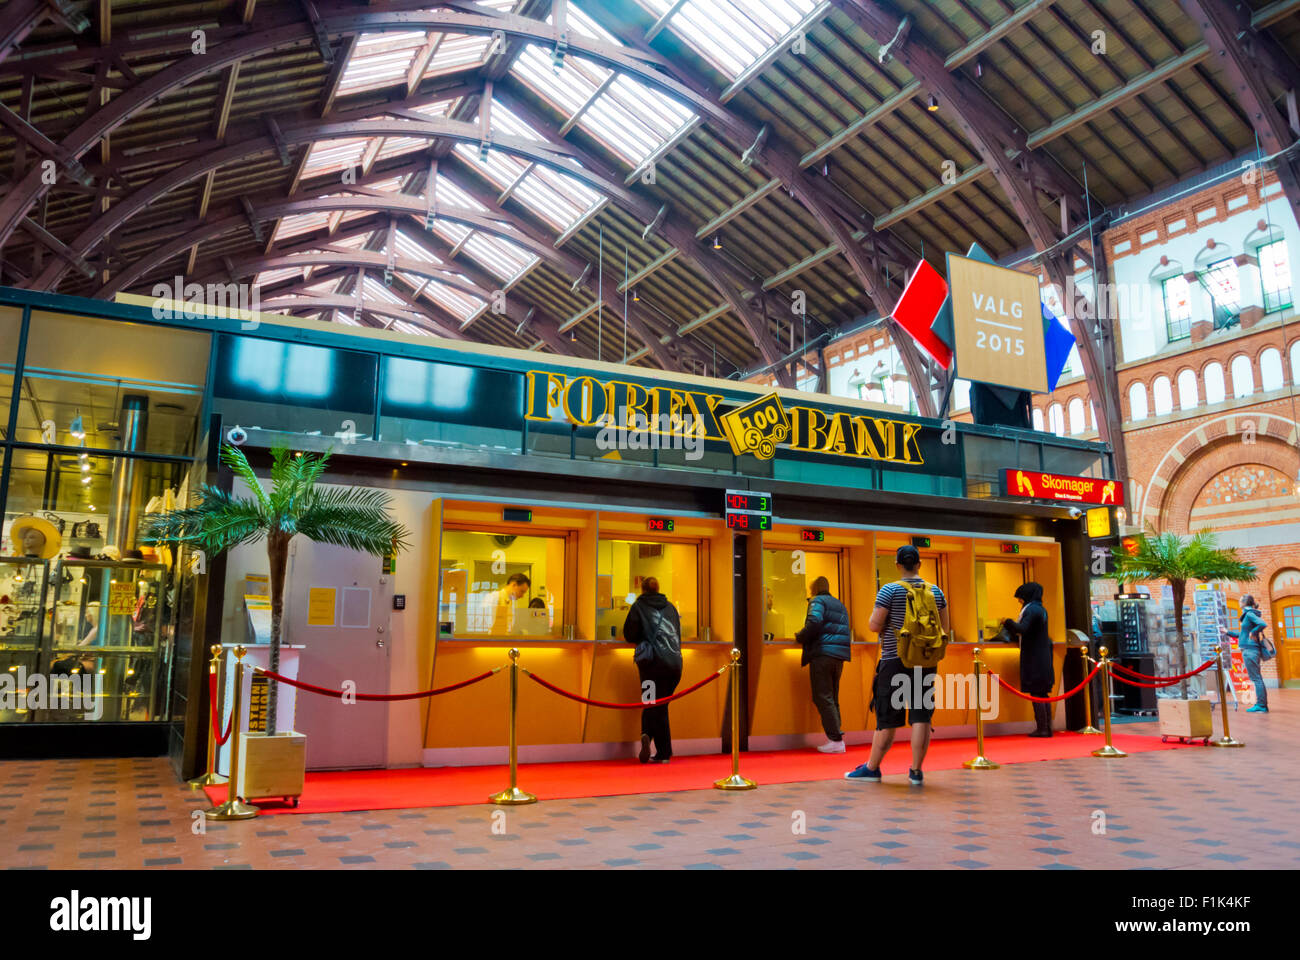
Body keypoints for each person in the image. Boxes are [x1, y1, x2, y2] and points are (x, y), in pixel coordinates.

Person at [846, 545, 948, 786]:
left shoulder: (889, 590)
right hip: (925, 661)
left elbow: (873, 625)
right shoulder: (936, 591)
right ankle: (915, 771)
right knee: (922, 715)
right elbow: (944, 628)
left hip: (894, 660)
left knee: (887, 717)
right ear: (920, 564)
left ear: (898, 564)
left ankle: (872, 768)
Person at [623, 576, 683, 763]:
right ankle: (657, 745)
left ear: (642, 590)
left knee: (651, 703)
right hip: (674, 665)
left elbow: (629, 634)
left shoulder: (638, 607)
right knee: (660, 706)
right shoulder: (671, 607)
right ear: (658, 589)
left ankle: (652, 740)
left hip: (651, 666)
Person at [794, 575, 851, 753]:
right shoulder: (839, 604)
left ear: (814, 589)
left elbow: (814, 621)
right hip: (839, 655)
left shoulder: (817, 601)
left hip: (823, 653)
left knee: (822, 696)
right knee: (832, 697)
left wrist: (800, 636)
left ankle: (835, 739)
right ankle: (836, 738)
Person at [1001, 582, 1054, 737]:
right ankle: (1047, 728)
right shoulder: (1041, 609)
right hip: (1043, 656)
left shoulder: (1031, 610)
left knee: (1036, 693)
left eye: (1020, 598)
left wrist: (1007, 622)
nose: (1019, 601)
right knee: (1043, 694)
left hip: (1034, 657)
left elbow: (1022, 629)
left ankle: (1042, 729)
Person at [1238, 595, 1270, 713]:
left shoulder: (1249, 614)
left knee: (1256, 678)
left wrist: (1253, 631)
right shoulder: (1250, 614)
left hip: (1250, 650)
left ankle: (1261, 705)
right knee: (1257, 678)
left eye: (1240, 600)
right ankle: (1261, 704)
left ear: (1244, 602)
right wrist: (1227, 632)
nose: (1238, 602)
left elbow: (1262, 624)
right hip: (1251, 649)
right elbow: (1242, 634)